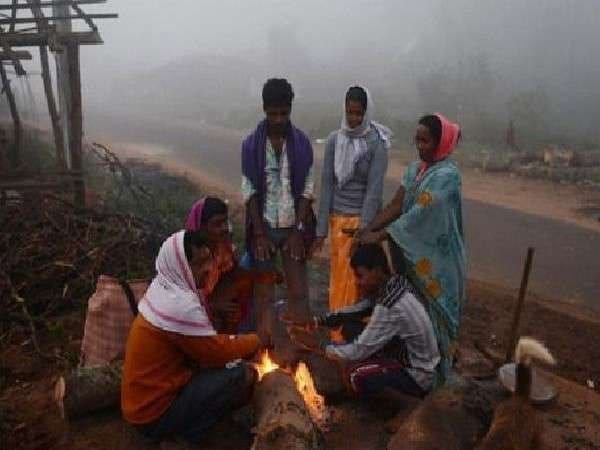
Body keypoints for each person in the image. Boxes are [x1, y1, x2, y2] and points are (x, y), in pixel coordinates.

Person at [356, 113, 466, 384]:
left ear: (441, 142)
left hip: (438, 262)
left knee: (435, 315)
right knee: (413, 313)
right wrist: (367, 229)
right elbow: (396, 205)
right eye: (417, 140)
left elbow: (419, 215)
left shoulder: (448, 176)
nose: (420, 146)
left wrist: (380, 235)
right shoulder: (415, 169)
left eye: (425, 141)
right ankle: (417, 370)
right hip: (411, 258)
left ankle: (439, 377)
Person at [121, 230, 260, 443]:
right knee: (240, 375)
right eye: (199, 263)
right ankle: (188, 435)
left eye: (208, 260)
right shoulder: (179, 306)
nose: (208, 269)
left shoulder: (164, 287)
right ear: (181, 266)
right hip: (154, 415)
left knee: (223, 369)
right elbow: (216, 352)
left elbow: (204, 346)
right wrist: (256, 340)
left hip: (142, 405)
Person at [289, 243, 440, 397]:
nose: (357, 282)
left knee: (355, 376)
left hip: (417, 376)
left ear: (377, 271)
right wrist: (316, 321)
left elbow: (359, 349)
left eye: (360, 276)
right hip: (410, 355)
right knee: (350, 328)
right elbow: (357, 310)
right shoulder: (395, 283)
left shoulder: (390, 304)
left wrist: (319, 345)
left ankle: (403, 406)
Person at [241, 78, 315, 346]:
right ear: (264, 110)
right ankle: (265, 348)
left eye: (284, 113)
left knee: (298, 292)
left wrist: (297, 231)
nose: (278, 119)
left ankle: (303, 348)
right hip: (264, 227)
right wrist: (259, 234)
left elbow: (307, 189)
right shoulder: (251, 145)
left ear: (290, 109)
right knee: (264, 293)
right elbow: (248, 190)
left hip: (293, 228)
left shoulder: (303, 144)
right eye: (273, 114)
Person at [312, 85, 391, 325]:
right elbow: (326, 186)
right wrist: (321, 231)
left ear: (367, 112)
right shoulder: (335, 140)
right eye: (350, 113)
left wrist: (364, 230)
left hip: (361, 224)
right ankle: (339, 334)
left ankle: (357, 337)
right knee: (339, 280)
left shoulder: (377, 143)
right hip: (338, 222)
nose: (354, 119)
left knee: (359, 283)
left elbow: (374, 191)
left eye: (359, 114)